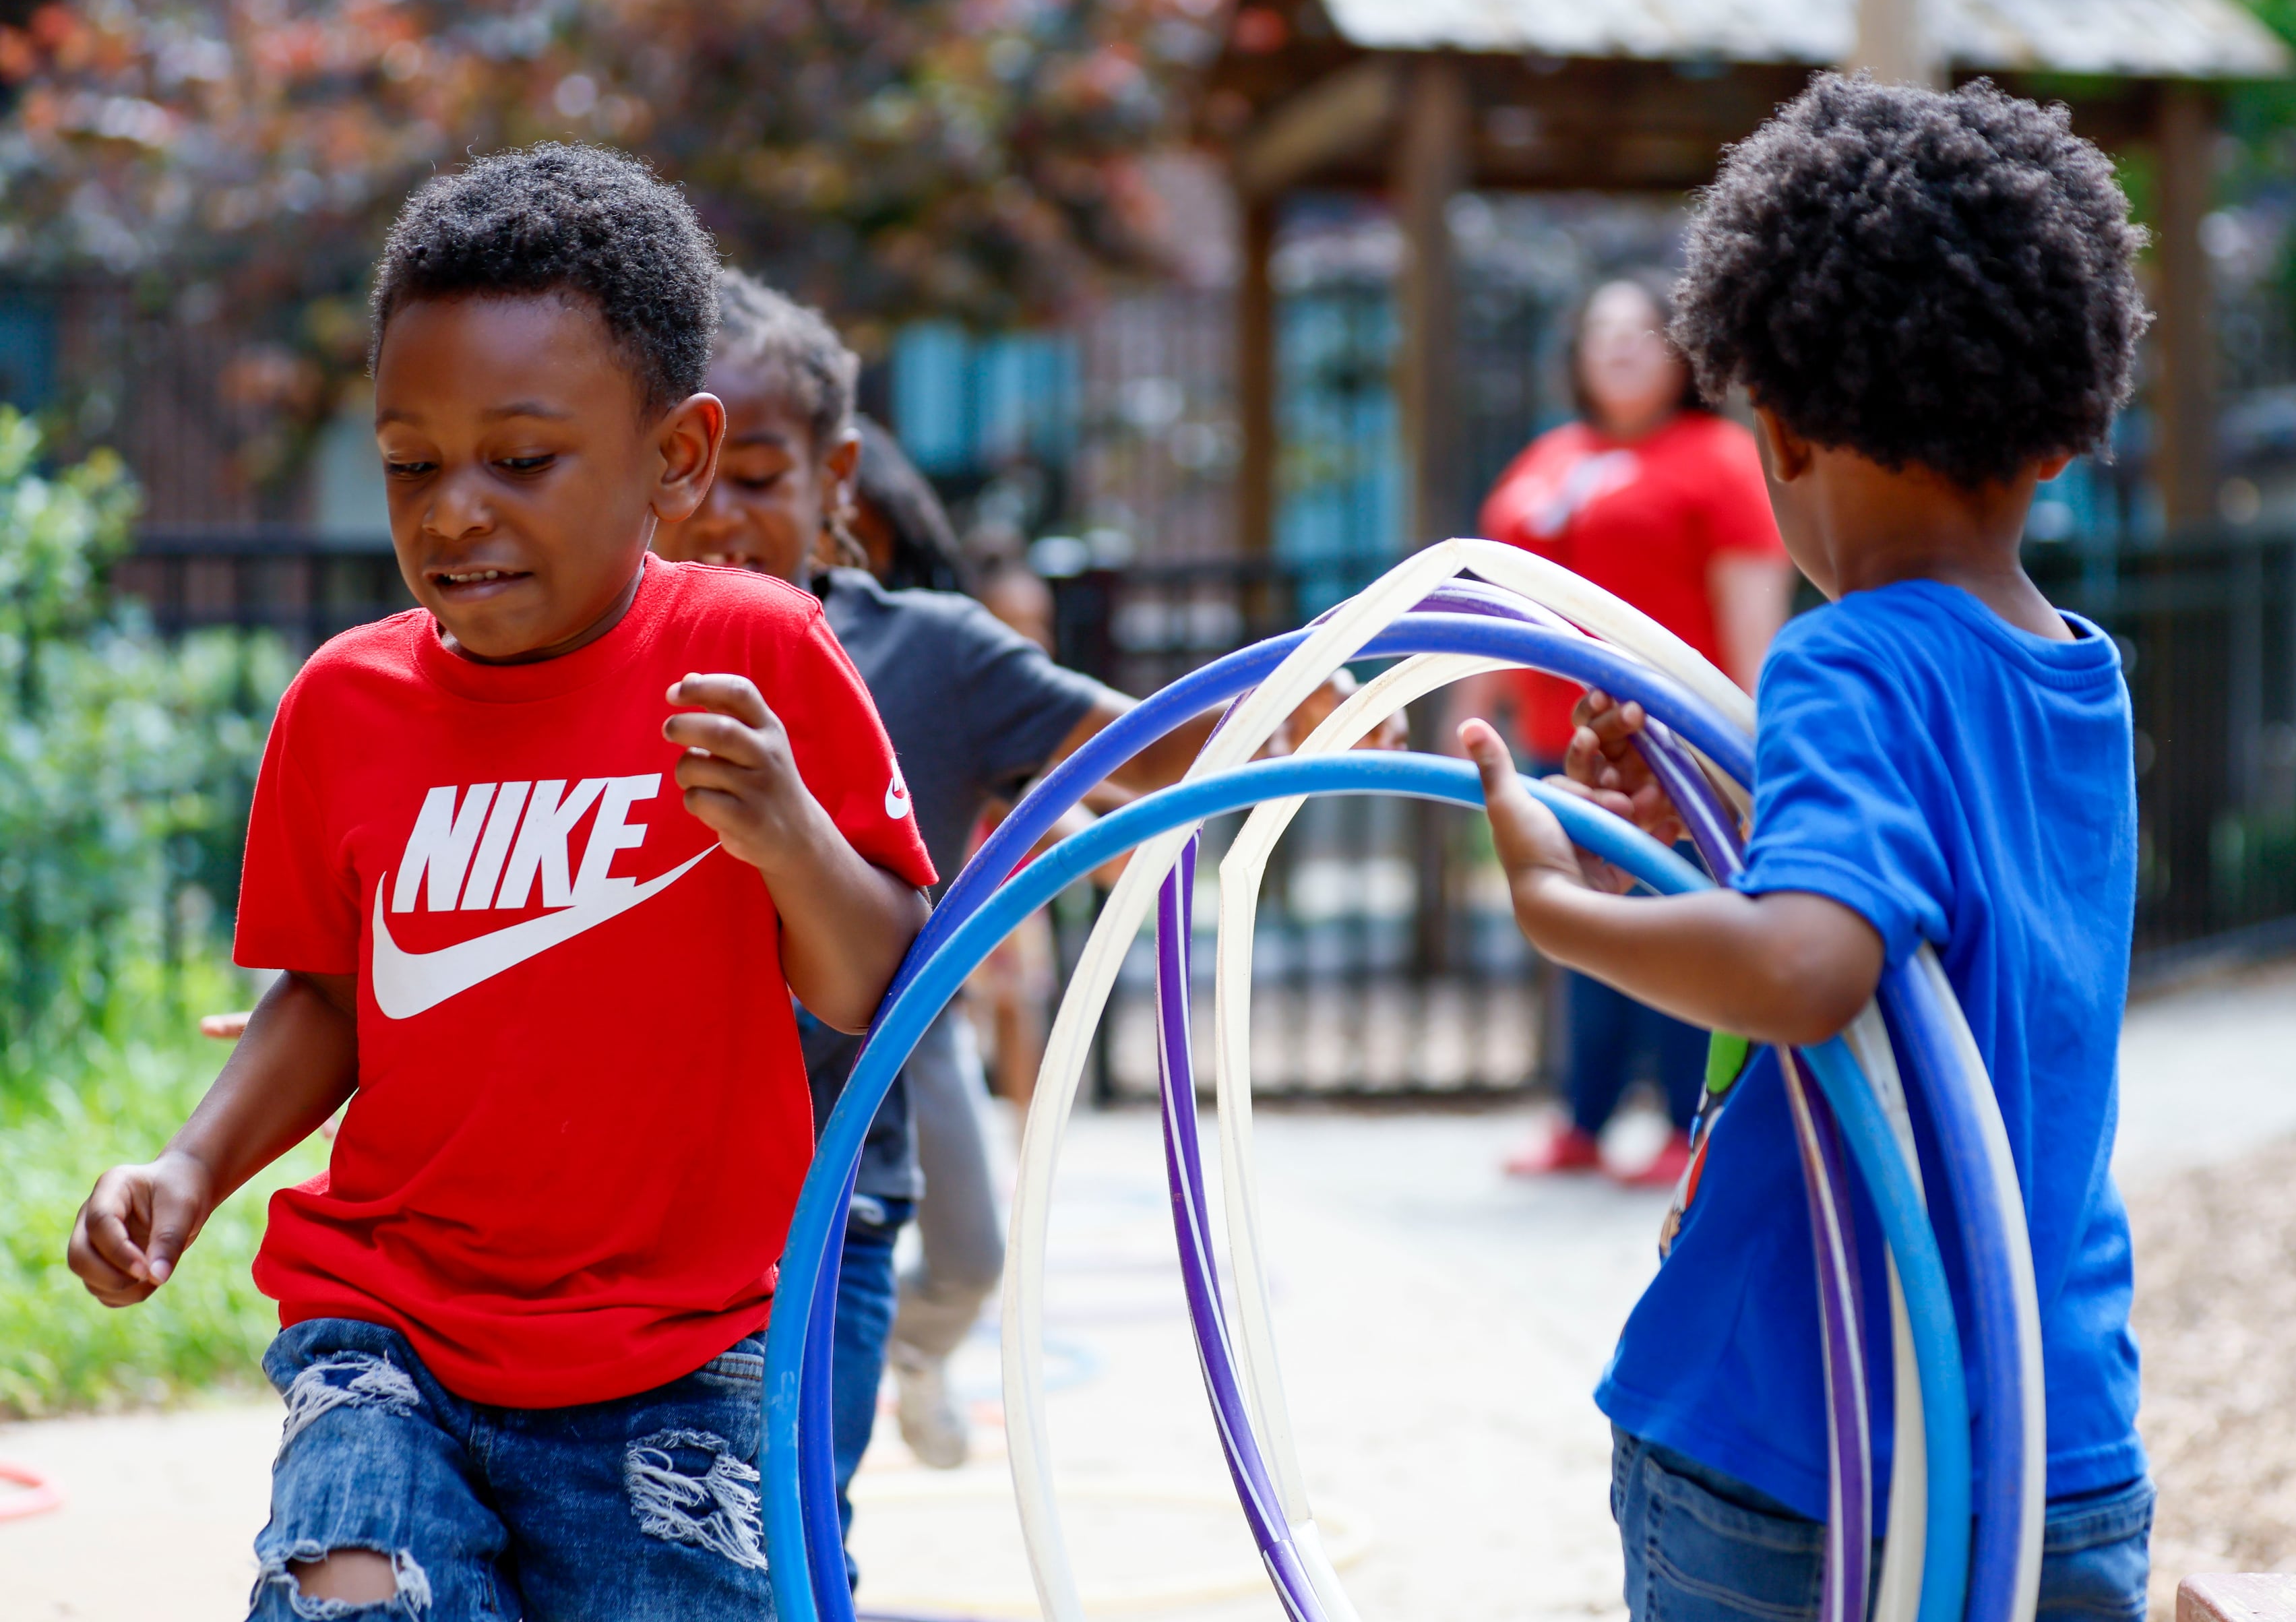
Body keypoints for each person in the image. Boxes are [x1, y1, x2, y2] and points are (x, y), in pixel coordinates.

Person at [65, 146, 937, 1621]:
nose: (455, 509)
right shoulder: (344, 704)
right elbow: (333, 992)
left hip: (683, 1347)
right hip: (393, 1325)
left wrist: (788, 830)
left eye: (520, 460)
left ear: (677, 455)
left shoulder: (758, 653)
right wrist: (191, 1166)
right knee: (351, 1593)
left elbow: (877, 984)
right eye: (413, 461)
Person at [1461, 75, 2157, 1620]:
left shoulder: (1846, 661)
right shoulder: (2080, 676)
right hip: (2058, 1435)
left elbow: (1806, 967)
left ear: (1773, 430)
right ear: (2059, 434)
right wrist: (1694, 847)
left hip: (1808, 1434)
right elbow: (1921, 938)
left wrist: (1559, 903)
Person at [652, 269, 1391, 1567]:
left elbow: (1142, 740)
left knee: (782, 1539)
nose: (715, 513)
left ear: (838, 481)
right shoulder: (588, 656)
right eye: (682, 471)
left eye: (758, 477)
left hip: (828, 1206)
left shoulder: (931, 654)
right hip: (631, 1204)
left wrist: (1286, 707)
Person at [1481, 273, 1790, 1189]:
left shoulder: (1717, 458)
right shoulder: (1546, 456)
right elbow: (1501, 596)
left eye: (1642, 330)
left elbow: (1751, 610)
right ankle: (1583, 1114)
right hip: (1557, 738)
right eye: (1601, 329)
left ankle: (1678, 1125)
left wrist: (1742, 741)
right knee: (1579, 920)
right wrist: (1483, 702)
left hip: (1677, 754)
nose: (1618, 344)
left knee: (1676, 918)